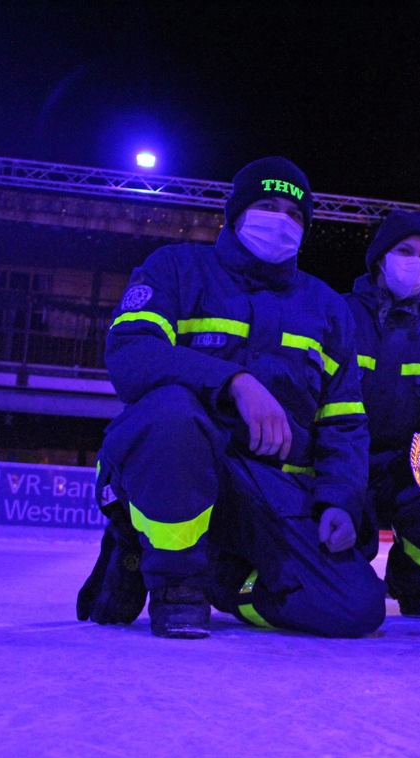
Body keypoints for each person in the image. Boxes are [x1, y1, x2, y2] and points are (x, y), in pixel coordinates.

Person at [76, 156, 385, 639]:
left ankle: (220, 579)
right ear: (235, 213)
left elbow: (344, 422)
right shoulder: (176, 269)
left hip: (267, 488)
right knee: (172, 413)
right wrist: (233, 382)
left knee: (356, 609)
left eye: (294, 213)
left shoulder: (327, 307)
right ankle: (175, 580)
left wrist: (340, 500)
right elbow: (131, 354)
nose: (281, 219)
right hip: (177, 463)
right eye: (267, 205)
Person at [344, 210, 420, 618]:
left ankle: (414, 585)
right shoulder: (337, 316)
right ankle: (347, 573)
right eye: (405, 250)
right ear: (380, 256)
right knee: (347, 579)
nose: (416, 263)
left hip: (410, 467)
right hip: (344, 463)